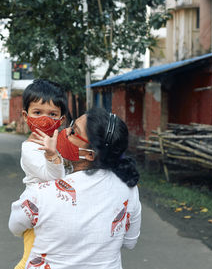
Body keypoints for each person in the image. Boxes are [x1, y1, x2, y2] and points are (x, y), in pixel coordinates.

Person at [9, 107, 141, 269]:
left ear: (90, 154)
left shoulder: (43, 191)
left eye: (73, 132)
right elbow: (129, 242)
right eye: (71, 125)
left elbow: (15, 226)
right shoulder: (128, 188)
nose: (64, 132)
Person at [15, 79, 69, 269]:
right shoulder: (29, 148)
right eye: (37, 112)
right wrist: (52, 155)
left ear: (61, 120)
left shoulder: (61, 143)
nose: (45, 119)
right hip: (36, 215)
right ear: (25, 115)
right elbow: (53, 178)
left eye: (52, 114)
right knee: (31, 261)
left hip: (55, 212)